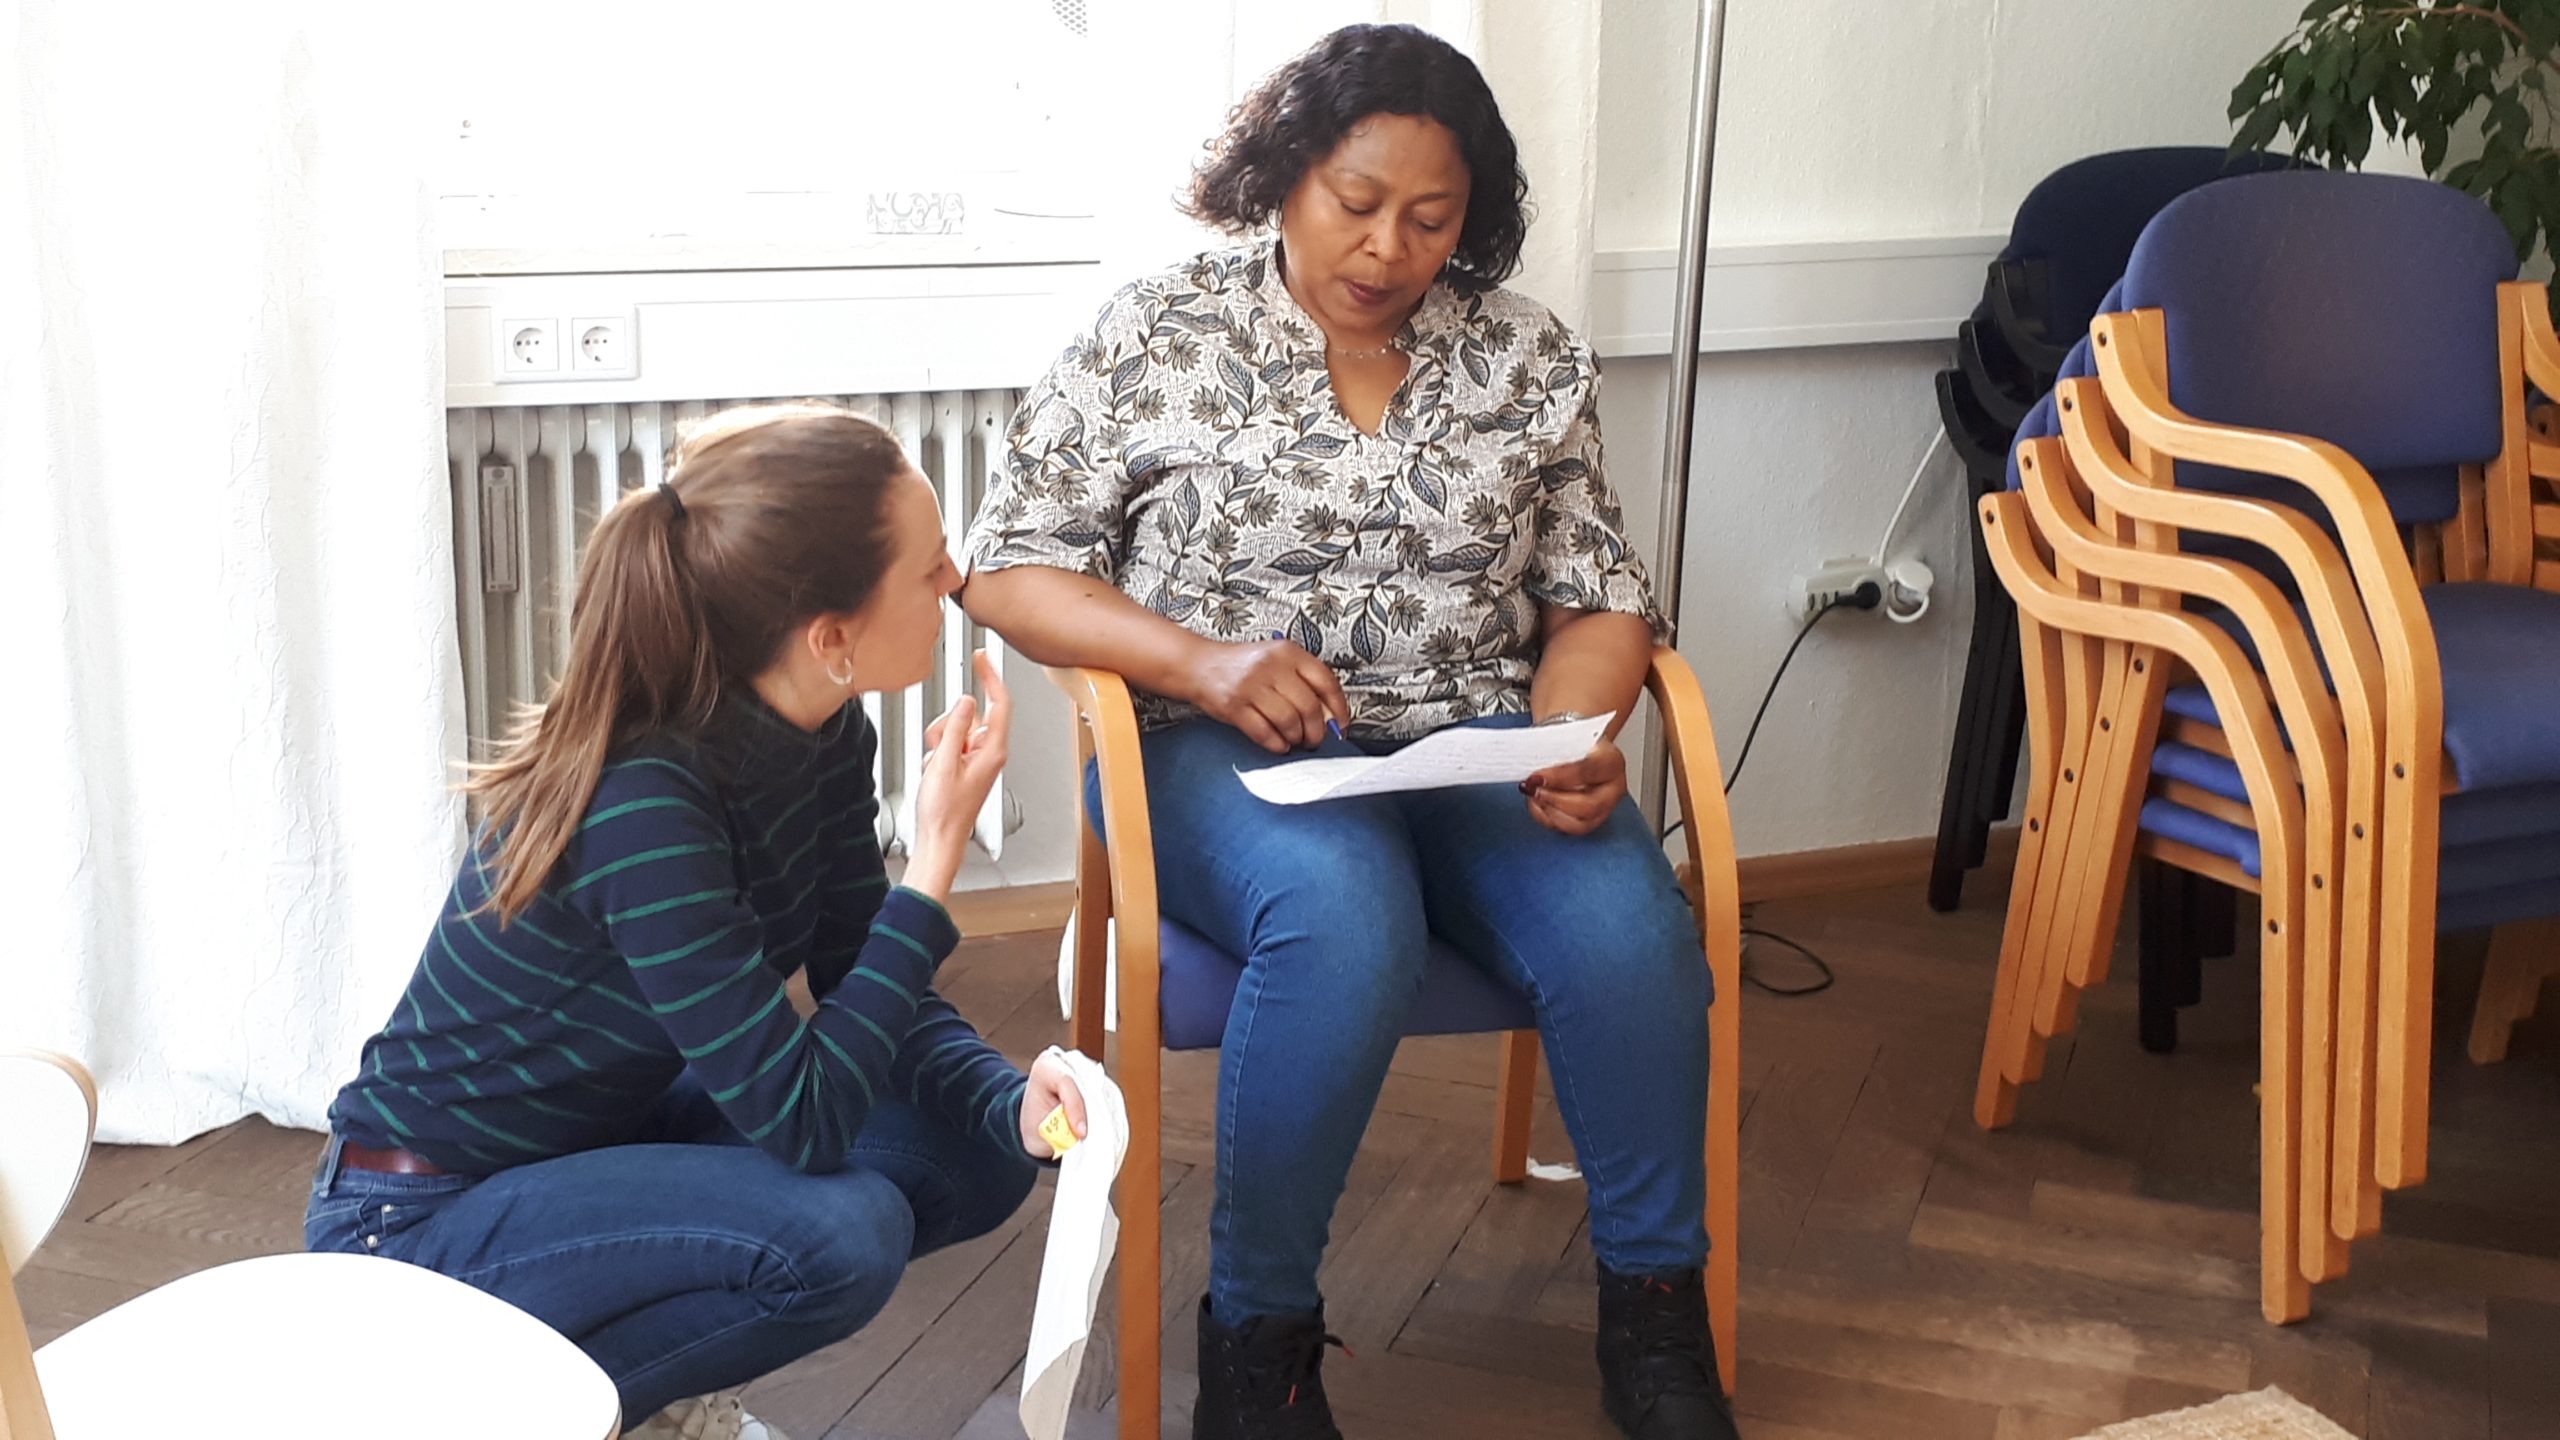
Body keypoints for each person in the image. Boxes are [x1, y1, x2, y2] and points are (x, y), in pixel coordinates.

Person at [964, 24, 1736, 1440]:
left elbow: (1598, 596)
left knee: (1631, 932)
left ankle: (1656, 1324)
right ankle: (1257, 1350)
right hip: (1213, 748)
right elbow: (1010, 568)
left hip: (1476, 741)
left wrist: (1571, 729)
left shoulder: (1526, 356)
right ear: (1284, 175)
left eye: (1430, 218)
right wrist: (1200, 663)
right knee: (1344, 918)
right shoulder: (1159, 335)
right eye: (1356, 202)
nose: (1387, 248)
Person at [307, 404, 1085, 1440]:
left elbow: (862, 973)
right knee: (840, 1236)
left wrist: (1007, 1100)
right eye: (930, 566)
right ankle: (525, 1414)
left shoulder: (822, 733)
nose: (957, 582)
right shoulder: (646, 798)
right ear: (831, 637)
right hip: (414, 1225)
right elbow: (805, 1122)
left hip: (596, 1138)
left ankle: (621, 1375)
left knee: (978, 1153)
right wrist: (934, 863)